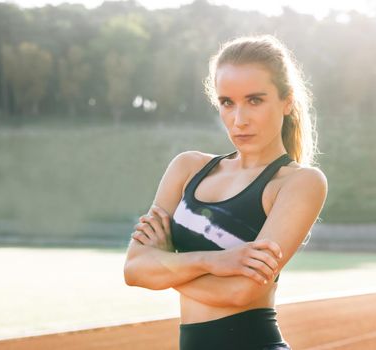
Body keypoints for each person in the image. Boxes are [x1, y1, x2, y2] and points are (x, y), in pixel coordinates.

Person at [123, 34, 328, 350]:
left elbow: (240, 293)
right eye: (227, 103)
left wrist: (164, 267)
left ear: (287, 101)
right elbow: (134, 269)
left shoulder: (299, 183)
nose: (239, 119)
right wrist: (214, 262)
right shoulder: (187, 168)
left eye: (255, 100)